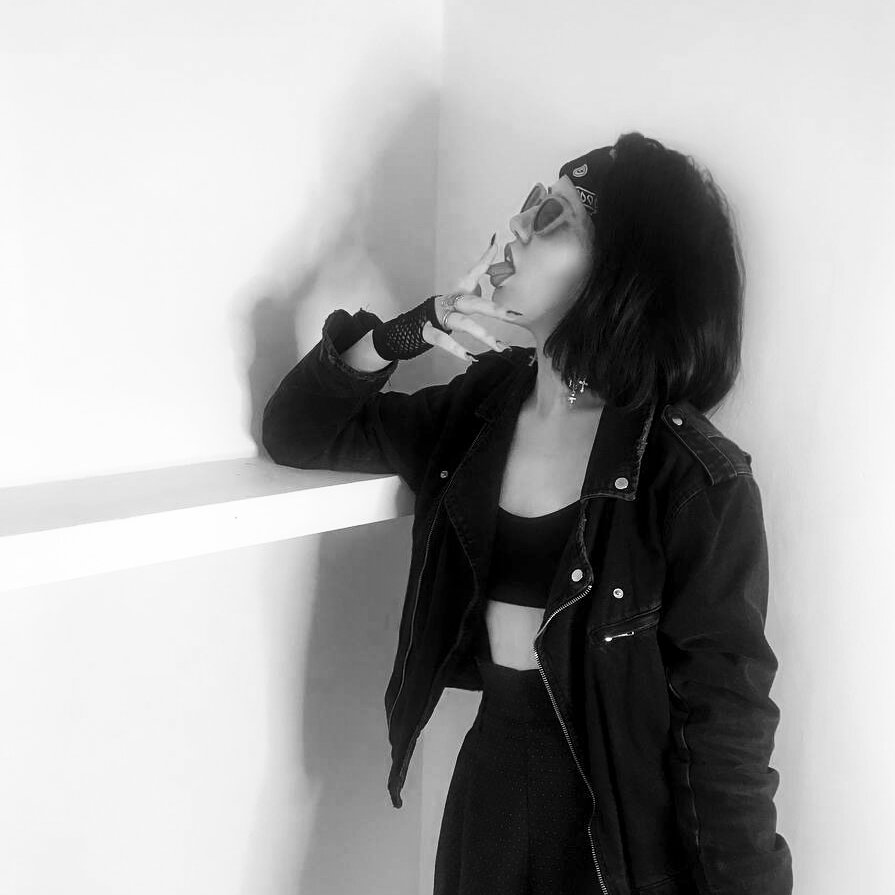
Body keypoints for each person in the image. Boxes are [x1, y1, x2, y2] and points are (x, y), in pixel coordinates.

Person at [261, 131, 793, 895]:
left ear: (618, 272)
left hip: (615, 836)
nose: (514, 225)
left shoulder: (690, 477)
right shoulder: (480, 410)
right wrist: (403, 333)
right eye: (529, 203)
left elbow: (727, 725)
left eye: (552, 217)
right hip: (489, 795)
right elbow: (298, 433)